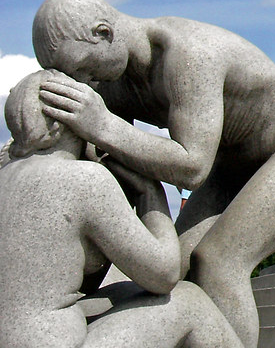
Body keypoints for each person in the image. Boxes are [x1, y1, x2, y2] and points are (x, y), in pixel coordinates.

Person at [33, 0, 275, 348]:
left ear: (104, 33)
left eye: (85, 68)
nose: (85, 82)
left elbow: (192, 167)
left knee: (217, 263)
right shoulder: (112, 83)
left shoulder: (189, 53)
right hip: (229, 165)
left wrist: (103, 125)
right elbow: (105, 175)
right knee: (167, 270)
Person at [0, 70, 243, 348]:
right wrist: (150, 194)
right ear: (61, 124)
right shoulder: (83, 179)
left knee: (124, 291)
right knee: (190, 301)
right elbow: (163, 275)